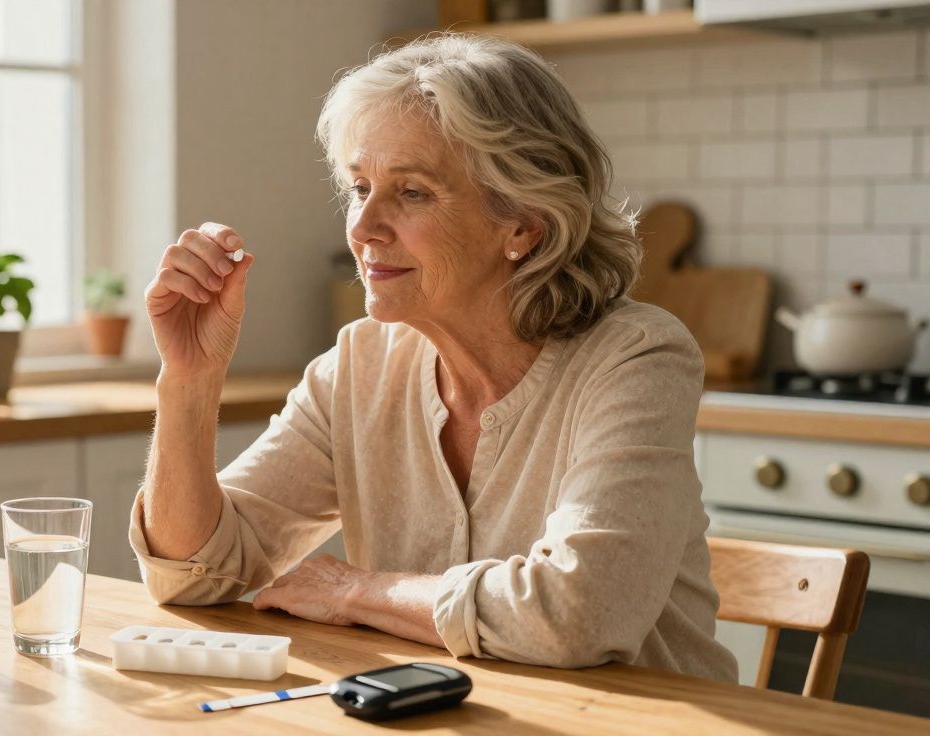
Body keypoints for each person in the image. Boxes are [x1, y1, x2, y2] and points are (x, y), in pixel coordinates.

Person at [129, 34, 738, 682]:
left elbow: (581, 612)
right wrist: (190, 381)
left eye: (412, 192)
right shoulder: (360, 366)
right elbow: (193, 572)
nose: (363, 227)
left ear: (523, 225)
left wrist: (355, 592)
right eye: (359, 186)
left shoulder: (636, 359)